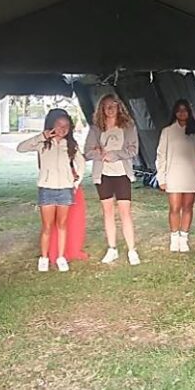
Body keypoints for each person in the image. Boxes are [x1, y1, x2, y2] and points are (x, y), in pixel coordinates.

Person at [17, 108, 86, 272]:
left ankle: (61, 257)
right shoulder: (42, 143)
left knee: (62, 225)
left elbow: (81, 163)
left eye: (66, 126)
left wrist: (76, 183)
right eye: (59, 125)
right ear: (51, 125)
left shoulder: (71, 145)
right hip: (47, 189)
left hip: (65, 189)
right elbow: (21, 148)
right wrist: (42, 136)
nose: (62, 129)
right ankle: (44, 258)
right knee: (47, 226)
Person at [84, 94, 141, 265]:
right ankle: (112, 248)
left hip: (122, 174)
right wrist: (100, 154)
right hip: (103, 175)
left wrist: (116, 154)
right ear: (101, 109)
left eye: (113, 105)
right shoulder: (96, 129)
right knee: (108, 212)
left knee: (125, 212)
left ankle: (132, 250)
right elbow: (87, 152)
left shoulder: (128, 127)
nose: (110, 109)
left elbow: (133, 150)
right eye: (106, 106)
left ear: (119, 107)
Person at [156, 99, 195, 252]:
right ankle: (174, 238)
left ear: (189, 112)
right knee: (175, 208)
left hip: (192, 175)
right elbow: (161, 155)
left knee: (188, 207)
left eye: (185, 110)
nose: (182, 113)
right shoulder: (167, 131)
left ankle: (184, 238)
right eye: (179, 110)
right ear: (175, 112)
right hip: (173, 175)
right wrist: (161, 178)